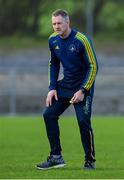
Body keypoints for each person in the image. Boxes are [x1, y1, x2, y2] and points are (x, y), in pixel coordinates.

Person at [37, 9, 98, 170]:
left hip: (82, 87)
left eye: (59, 23)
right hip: (65, 86)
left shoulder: (81, 40)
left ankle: (89, 160)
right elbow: (54, 64)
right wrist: (52, 88)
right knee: (48, 115)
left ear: (67, 22)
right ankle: (56, 157)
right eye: (54, 23)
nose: (56, 26)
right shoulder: (52, 40)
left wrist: (83, 90)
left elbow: (93, 66)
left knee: (83, 121)